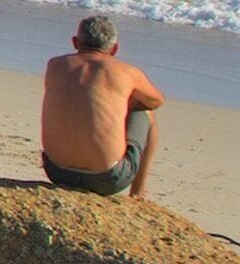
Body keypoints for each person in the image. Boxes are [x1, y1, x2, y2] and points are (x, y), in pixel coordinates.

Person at [41, 14, 164, 198]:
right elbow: (156, 101)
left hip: (56, 172)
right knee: (146, 112)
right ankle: (138, 192)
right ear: (114, 49)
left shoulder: (55, 65)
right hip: (106, 179)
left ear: (75, 42)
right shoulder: (126, 72)